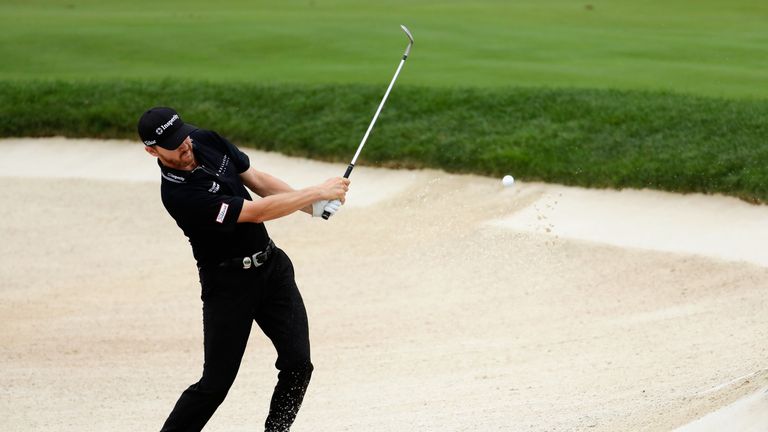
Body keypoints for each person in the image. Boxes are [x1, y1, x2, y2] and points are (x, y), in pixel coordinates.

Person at [137, 107, 349, 432]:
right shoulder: (179, 195)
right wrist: (317, 192)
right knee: (215, 386)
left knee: (298, 364)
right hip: (228, 286)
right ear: (152, 150)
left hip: (272, 268)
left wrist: (311, 208)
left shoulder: (204, 140)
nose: (184, 146)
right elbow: (255, 212)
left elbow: (258, 181)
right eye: (173, 144)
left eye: (183, 136)